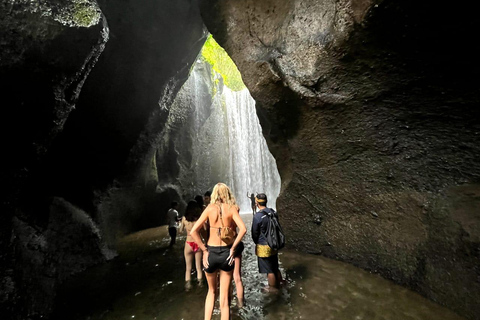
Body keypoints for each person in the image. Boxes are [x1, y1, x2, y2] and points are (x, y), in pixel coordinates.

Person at [191, 183, 247, 320]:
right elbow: (243, 229)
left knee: (211, 292)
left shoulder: (209, 209)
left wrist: (204, 250)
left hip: (211, 253)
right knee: (224, 301)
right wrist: (233, 248)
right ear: (227, 193)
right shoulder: (232, 208)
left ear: (214, 194)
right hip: (226, 254)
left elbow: (193, 231)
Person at [251, 193, 284, 291]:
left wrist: (256, 242)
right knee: (275, 266)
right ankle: (280, 283)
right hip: (273, 244)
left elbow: (254, 233)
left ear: (257, 203)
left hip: (263, 246)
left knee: (269, 270)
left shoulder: (258, 216)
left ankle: (273, 288)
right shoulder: (272, 212)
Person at [179, 200, 204, 291]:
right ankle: (200, 285)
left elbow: (180, 230)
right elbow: (205, 228)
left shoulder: (184, 218)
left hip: (188, 243)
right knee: (198, 267)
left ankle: (188, 286)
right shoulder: (199, 218)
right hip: (198, 242)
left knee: (188, 268)